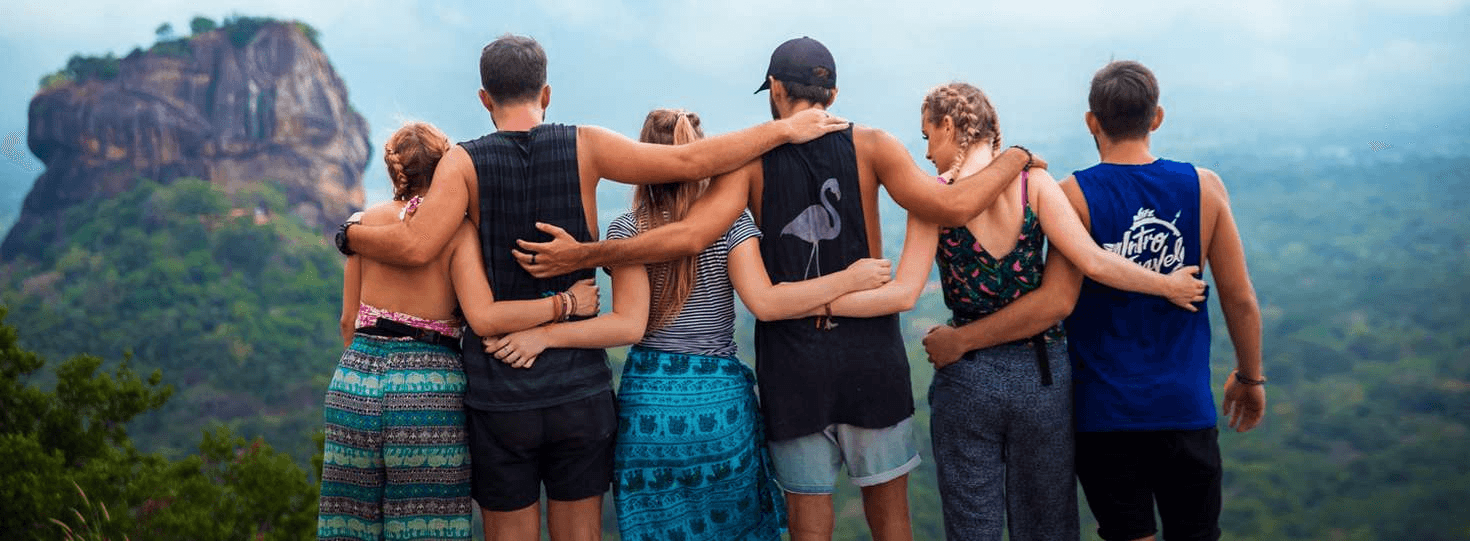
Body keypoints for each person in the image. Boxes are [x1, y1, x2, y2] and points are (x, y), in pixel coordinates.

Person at [513, 37, 1038, 541]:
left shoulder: (751, 161)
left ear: (777, 91)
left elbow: (691, 235)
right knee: (891, 519)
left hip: (791, 362)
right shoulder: (876, 145)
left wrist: (591, 254)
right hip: (870, 355)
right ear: (832, 94)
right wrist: (1013, 157)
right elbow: (948, 206)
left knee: (809, 527)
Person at [332, 35, 846, 541]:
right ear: (547, 93)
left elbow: (418, 245)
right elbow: (693, 162)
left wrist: (350, 234)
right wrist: (783, 131)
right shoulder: (588, 145)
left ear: (484, 99)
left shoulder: (462, 163)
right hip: (579, 393)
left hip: (500, 392)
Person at [530, 109, 892, 540]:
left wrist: (546, 334)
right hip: (720, 409)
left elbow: (628, 327)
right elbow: (768, 303)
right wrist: (849, 279)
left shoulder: (627, 229)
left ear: (645, 160)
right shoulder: (732, 225)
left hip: (650, 416)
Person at [909, 83, 1205, 541]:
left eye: (927, 135)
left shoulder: (933, 199)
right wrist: (1166, 285)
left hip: (965, 376)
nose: (927, 152)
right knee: (1047, 525)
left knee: (971, 527)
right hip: (1041, 376)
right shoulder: (1036, 184)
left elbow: (906, 290)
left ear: (949, 126)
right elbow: (1092, 261)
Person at [322, 121, 597, 541]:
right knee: (425, 523)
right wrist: (566, 303)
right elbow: (484, 317)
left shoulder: (363, 226)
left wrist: (367, 371)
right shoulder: (457, 232)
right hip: (426, 387)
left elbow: (347, 321)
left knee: (350, 521)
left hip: (355, 379)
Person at [1059, 60, 1266, 541]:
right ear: (1157, 118)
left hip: (1103, 412)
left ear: (1092, 120)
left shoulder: (1072, 195)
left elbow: (1058, 302)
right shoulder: (1204, 187)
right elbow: (1239, 298)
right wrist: (1251, 376)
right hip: (1184, 406)